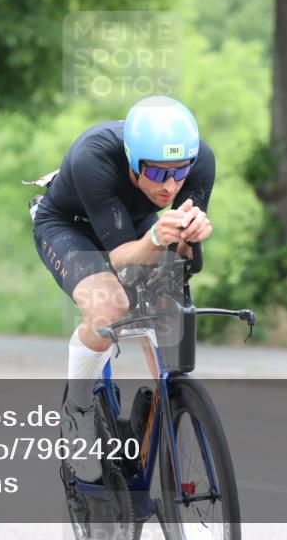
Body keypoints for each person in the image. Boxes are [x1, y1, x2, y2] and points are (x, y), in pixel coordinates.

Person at [31, 96, 215, 482]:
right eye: (158, 173)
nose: (171, 186)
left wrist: (191, 238)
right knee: (109, 306)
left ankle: (170, 417)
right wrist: (155, 237)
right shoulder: (92, 156)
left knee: (171, 317)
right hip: (71, 226)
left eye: (180, 172)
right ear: (132, 161)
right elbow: (118, 257)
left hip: (135, 226)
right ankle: (76, 413)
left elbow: (182, 263)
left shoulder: (200, 164)